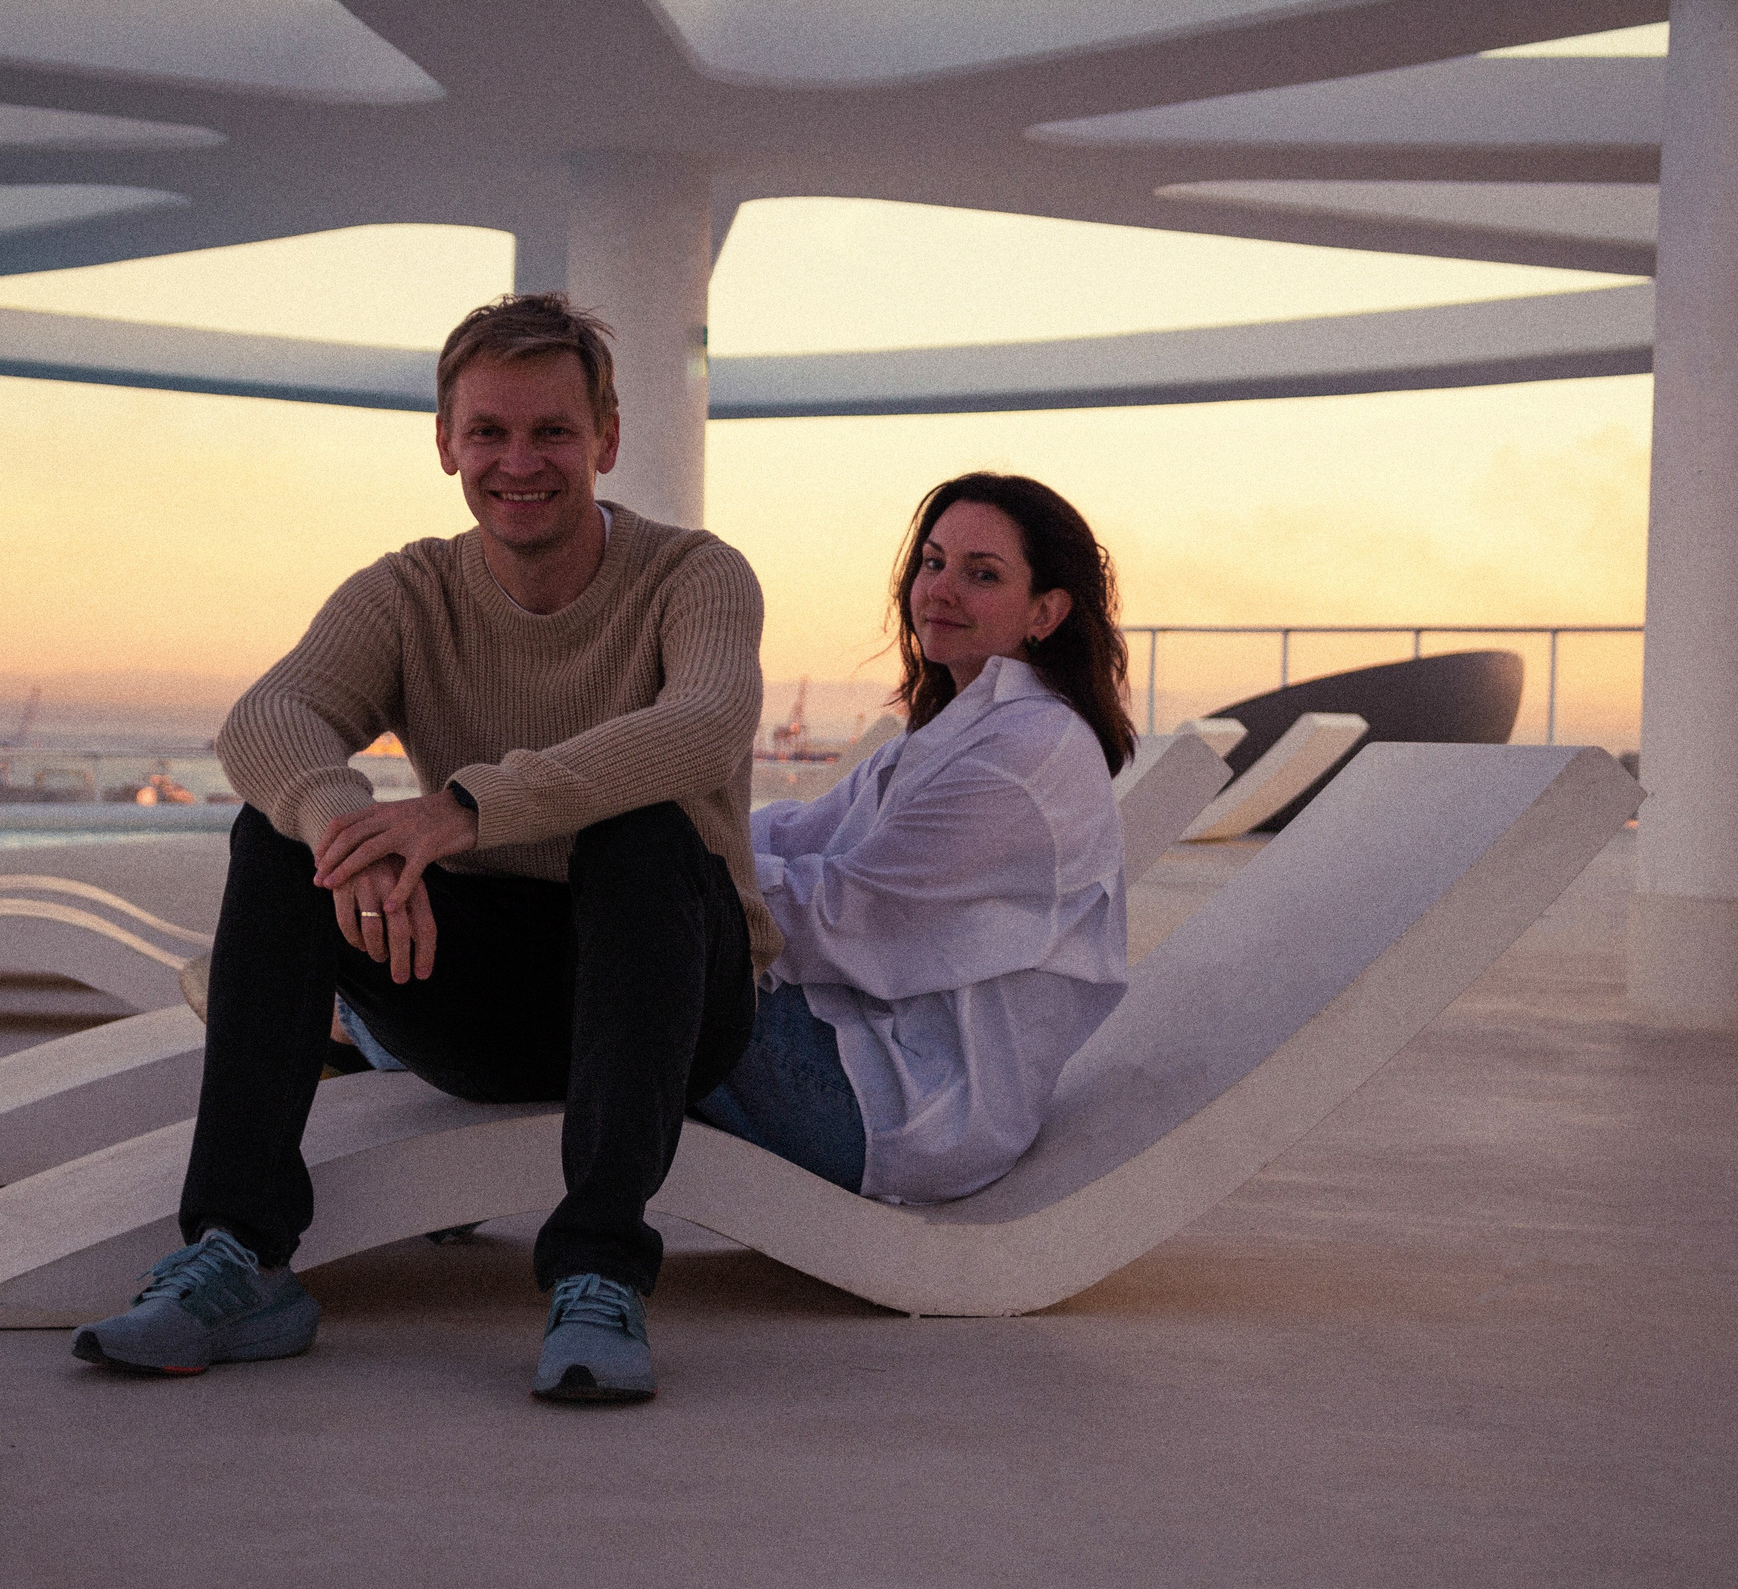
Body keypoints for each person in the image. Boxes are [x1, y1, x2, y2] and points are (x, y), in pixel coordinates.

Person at [71, 293, 770, 1402]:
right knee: (279, 834)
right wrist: (345, 829)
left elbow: (706, 724)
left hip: (672, 995)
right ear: (446, 442)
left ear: (607, 439)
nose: (518, 462)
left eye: (552, 430)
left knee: (641, 833)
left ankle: (597, 1270)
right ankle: (240, 1254)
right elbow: (268, 717)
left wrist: (465, 808)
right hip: (474, 1000)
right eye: (488, 431)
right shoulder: (409, 591)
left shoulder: (693, 574)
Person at [691, 473, 1135, 1205]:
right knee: (606, 931)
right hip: (851, 1046)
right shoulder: (958, 727)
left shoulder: (1025, 755)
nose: (941, 590)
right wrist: (684, 830)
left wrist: (675, 868)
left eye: (981, 574)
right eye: (933, 563)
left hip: (896, 1104)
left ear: (1046, 611)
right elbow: (800, 829)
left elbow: (843, 915)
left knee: (632, 947)